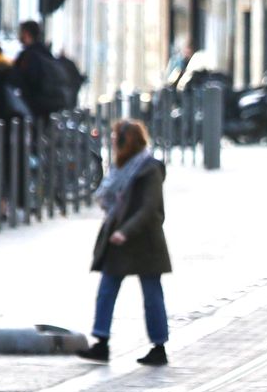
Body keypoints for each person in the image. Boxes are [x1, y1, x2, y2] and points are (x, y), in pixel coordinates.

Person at [77, 119, 171, 367]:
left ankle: (159, 346)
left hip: (143, 240)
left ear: (127, 141)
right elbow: (109, 198)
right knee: (107, 290)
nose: (113, 143)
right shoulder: (120, 167)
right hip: (119, 239)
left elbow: (151, 209)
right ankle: (101, 342)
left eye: (117, 138)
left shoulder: (149, 169)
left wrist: (125, 231)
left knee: (152, 294)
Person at [12, 20, 73, 120]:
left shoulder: (28, 56)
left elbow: (23, 80)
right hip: (51, 104)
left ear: (26, 33)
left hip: (35, 107)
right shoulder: (46, 53)